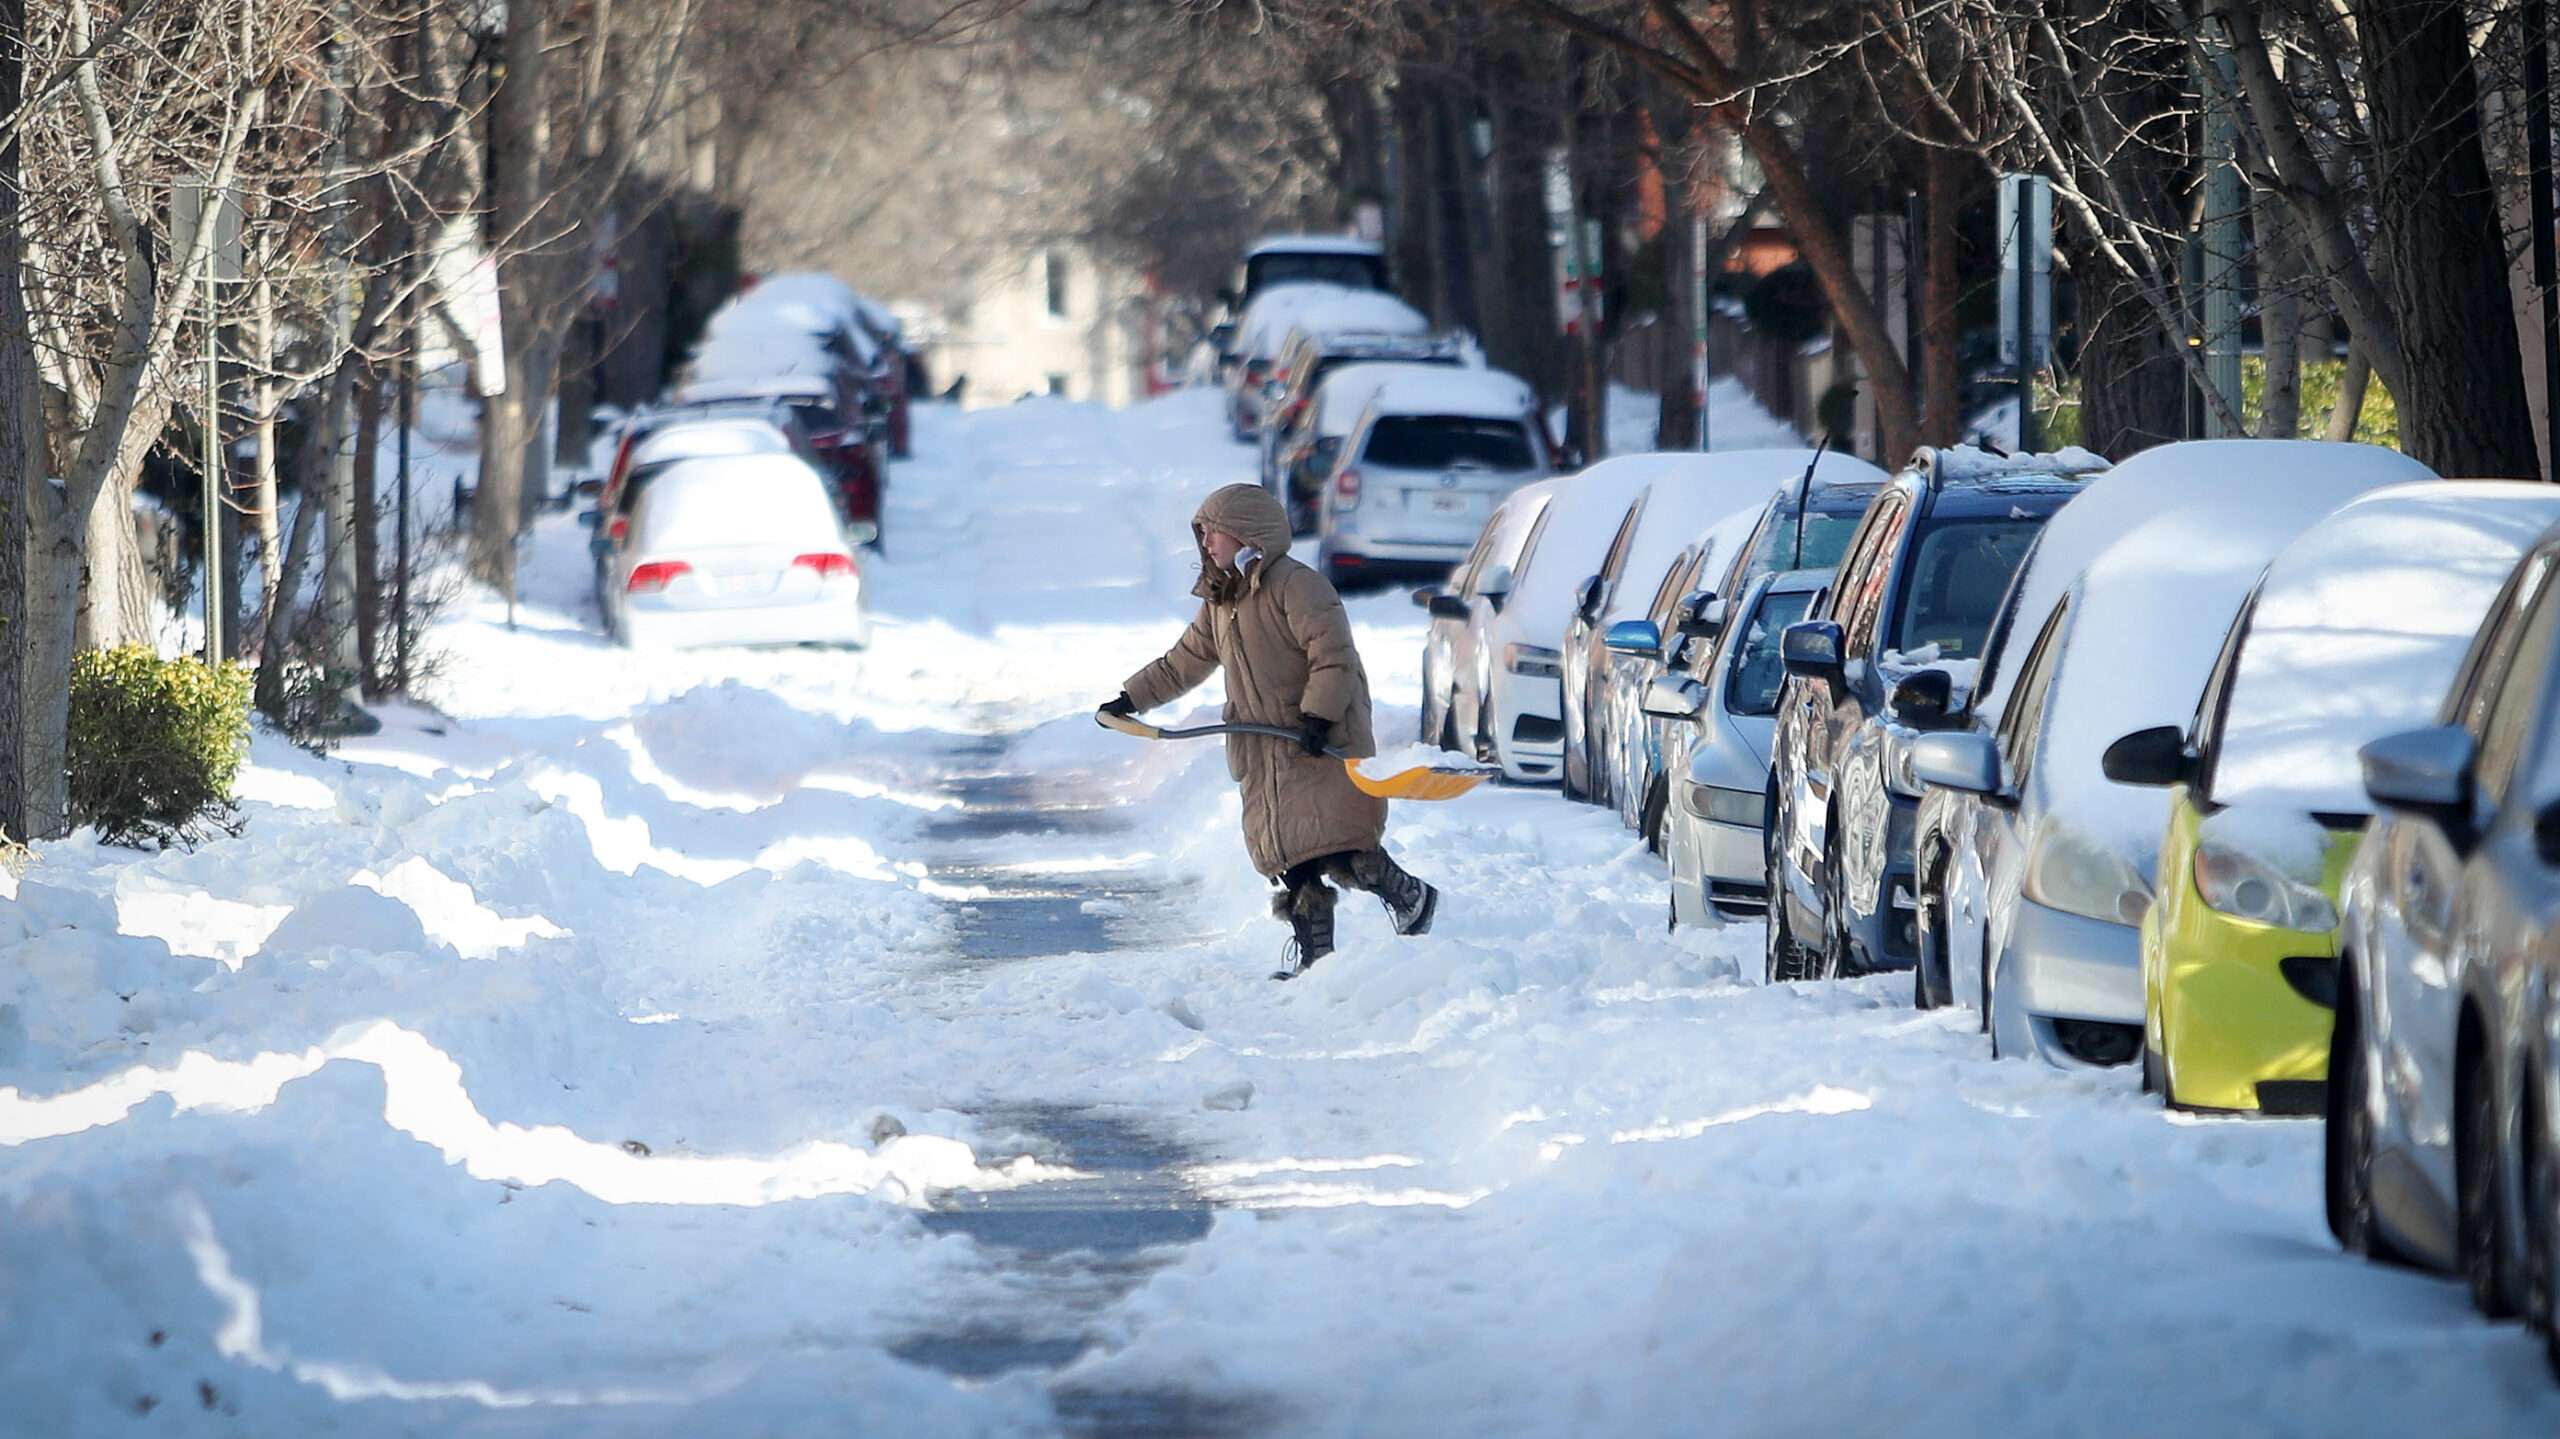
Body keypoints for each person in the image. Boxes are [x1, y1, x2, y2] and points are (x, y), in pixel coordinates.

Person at [1101, 483, 1438, 978]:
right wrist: (1131, 698)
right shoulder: (1221, 600)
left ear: (1246, 534)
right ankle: (1317, 963)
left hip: (1317, 737)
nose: (1208, 544)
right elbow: (1184, 662)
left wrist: (1318, 715)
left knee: (1344, 842)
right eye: (1204, 535)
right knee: (1293, 858)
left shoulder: (1296, 586)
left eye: (1215, 533)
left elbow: (1333, 655)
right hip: (1265, 745)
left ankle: (1410, 897)